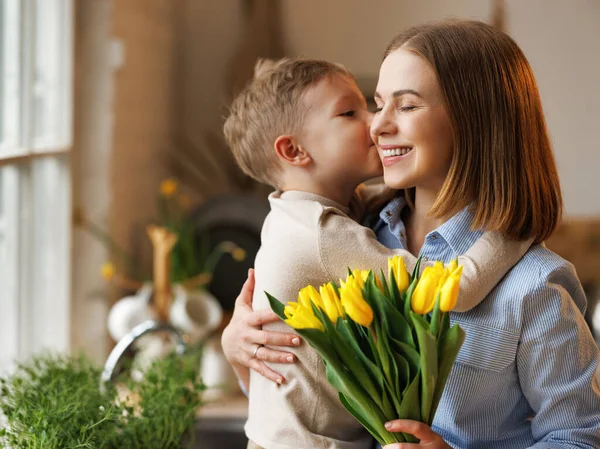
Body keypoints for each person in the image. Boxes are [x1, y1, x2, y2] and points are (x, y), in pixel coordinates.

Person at [222, 20, 600, 449]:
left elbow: (578, 439)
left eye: (405, 106)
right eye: (376, 104)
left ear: (474, 121)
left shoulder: (534, 286)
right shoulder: (353, 234)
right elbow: (308, 403)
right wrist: (239, 353)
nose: (375, 126)